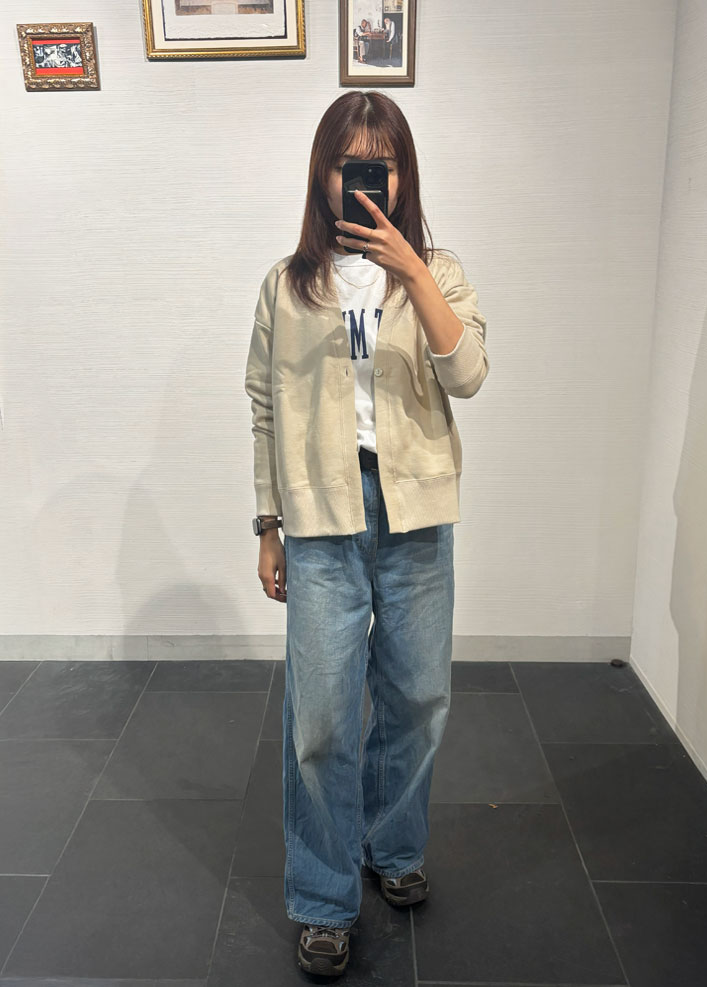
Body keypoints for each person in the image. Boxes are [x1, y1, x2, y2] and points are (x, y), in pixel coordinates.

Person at [244, 90, 488, 977]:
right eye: (351, 163)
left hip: (415, 510)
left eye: (382, 164)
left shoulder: (438, 271)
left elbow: (469, 374)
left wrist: (411, 272)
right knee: (319, 717)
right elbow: (264, 405)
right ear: (323, 175)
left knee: (419, 697)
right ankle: (321, 893)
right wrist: (267, 524)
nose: (366, 178)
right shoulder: (287, 284)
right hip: (320, 513)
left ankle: (394, 844)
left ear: (404, 175)